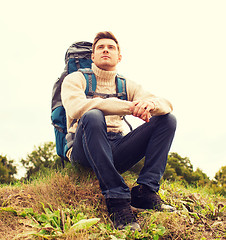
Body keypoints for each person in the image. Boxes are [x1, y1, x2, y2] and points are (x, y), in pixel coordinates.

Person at [61, 31, 177, 231]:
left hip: (116, 147)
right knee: (93, 115)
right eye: (100, 47)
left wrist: (148, 105)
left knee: (167, 120)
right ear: (93, 56)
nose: (106, 50)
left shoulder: (126, 84)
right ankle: (117, 200)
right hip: (84, 149)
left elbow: (166, 104)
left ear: (119, 57)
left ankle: (145, 191)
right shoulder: (75, 79)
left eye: (111, 47)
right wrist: (129, 107)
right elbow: (77, 108)